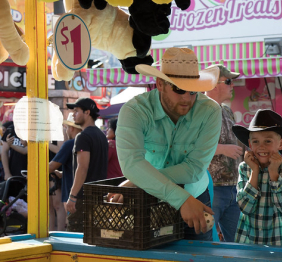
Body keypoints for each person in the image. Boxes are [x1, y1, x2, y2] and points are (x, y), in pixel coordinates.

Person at [117, 48, 222, 240]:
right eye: (179, 89)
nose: (187, 98)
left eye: (193, 91)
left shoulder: (210, 111)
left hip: (194, 195)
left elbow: (194, 169)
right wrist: (180, 199)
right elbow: (131, 164)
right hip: (151, 198)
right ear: (160, 84)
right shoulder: (135, 111)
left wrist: (139, 181)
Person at [232, 109, 282, 246]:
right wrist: (255, 171)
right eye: (256, 141)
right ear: (250, 145)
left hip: (281, 244)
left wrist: (274, 173)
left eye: (268, 141)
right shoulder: (245, 168)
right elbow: (244, 207)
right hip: (248, 243)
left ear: (281, 144)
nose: (261, 147)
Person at [205, 65, 243, 242]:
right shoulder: (199, 110)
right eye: (228, 81)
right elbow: (190, 147)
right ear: (212, 84)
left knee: (237, 242)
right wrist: (222, 149)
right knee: (206, 241)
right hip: (211, 188)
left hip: (232, 187)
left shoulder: (227, 111)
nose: (232, 86)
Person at [65, 98, 109, 232]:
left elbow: (82, 168)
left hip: (84, 198)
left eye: (76, 111)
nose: (73, 114)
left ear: (87, 112)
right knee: (94, 236)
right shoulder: (101, 135)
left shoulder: (82, 136)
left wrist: (72, 196)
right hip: (99, 196)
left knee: (76, 239)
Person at [49, 113, 82, 231]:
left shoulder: (70, 144)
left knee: (73, 229)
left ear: (71, 128)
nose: (66, 129)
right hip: (84, 192)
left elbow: (51, 166)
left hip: (73, 194)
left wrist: (33, 173)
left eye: (67, 127)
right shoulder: (91, 141)